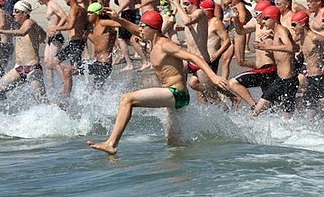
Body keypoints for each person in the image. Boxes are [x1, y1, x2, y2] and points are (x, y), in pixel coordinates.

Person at [88, 10, 228, 155]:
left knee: (127, 99)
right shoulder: (151, 39)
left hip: (177, 94)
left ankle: (111, 143)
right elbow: (134, 29)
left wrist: (213, 77)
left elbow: (194, 58)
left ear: (152, 29)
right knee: (174, 144)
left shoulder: (165, 44)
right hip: (172, 97)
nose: (140, 29)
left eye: (143, 26)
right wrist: (119, 20)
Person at [0, 1, 48, 116]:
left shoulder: (30, 22)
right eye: (14, 11)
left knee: (42, 102)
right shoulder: (22, 24)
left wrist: (1, 31)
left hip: (32, 68)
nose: (14, 14)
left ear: (25, 13)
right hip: (19, 69)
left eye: (17, 11)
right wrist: (41, 37)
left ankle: (59, 110)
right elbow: (42, 33)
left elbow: (22, 32)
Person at [251, 6, 299, 116]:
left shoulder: (282, 30)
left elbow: (290, 48)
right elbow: (295, 48)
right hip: (279, 79)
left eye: (266, 19)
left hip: (288, 80)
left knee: (287, 116)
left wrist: (268, 47)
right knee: (257, 110)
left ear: (274, 19)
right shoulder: (276, 32)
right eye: (262, 18)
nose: (263, 22)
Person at [51, 0, 88, 97]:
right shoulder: (81, 9)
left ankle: (73, 92)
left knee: (76, 69)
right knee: (55, 61)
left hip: (76, 42)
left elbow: (70, 26)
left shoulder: (75, 9)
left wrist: (56, 28)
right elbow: (85, 25)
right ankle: (66, 84)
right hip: (75, 42)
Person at [35, 0, 68, 86]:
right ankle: (51, 86)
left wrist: (57, 28)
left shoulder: (53, 5)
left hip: (57, 37)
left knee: (53, 62)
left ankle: (64, 82)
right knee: (47, 63)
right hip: (50, 37)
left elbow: (64, 17)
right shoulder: (47, 6)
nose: (38, 1)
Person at [84, 3, 118, 87]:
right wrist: (87, 34)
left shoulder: (103, 23)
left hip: (104, 64)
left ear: (97, 13)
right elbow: (98, 43)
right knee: (96, 90)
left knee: (70, 70)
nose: (88, 14)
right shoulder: (95, 27)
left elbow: (120, 24)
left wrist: (116, 17)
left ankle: (65, 97)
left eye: (90, 12)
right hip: (97, 62)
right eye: (87, 12)